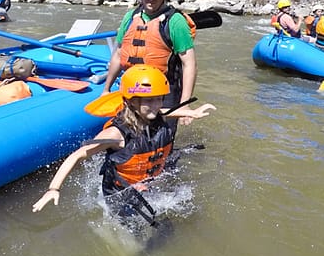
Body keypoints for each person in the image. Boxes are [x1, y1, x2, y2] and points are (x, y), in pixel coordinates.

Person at [32, 65, 215, 223]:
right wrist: (53, 189)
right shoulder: (115, 134)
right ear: (132, 102)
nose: (156, 105)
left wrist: (190, 113)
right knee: (138, 231)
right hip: (120, 194)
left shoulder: (152, 113)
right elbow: (78, 154)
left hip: (147, 182)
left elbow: (162, 112)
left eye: (159, 98)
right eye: (149, 100)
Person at [102, 0, 197, 114]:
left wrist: (184, 104)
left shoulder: (175, 22)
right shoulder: (130, 17)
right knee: (130, 132)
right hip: (133, 88)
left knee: (161, 137)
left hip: (163, 91)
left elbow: (189, 64)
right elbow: (119, 55)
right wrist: (106, 89)